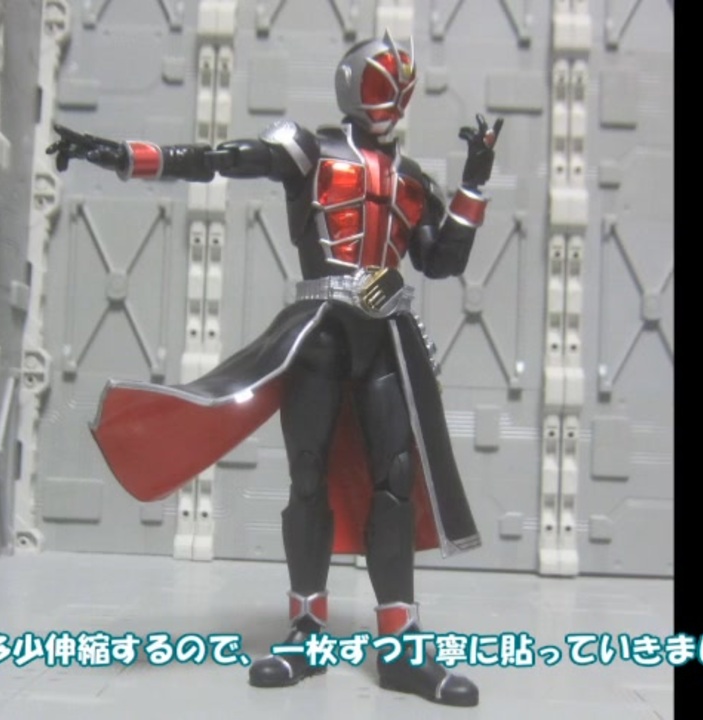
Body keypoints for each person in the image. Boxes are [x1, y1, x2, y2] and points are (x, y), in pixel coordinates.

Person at [48, 31, 503, 707]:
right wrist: (122, 155)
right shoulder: (307, 151)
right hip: (319, 331)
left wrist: (473, 184)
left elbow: (440, 262)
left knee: (396, 483)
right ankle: (307, 631)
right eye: (380, 84)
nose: (391, 99)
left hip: (384, 333)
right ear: (353, 86)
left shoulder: (413, 181)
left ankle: (401, 646)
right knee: (308, 475)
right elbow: (216, 160)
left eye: (400, 87)